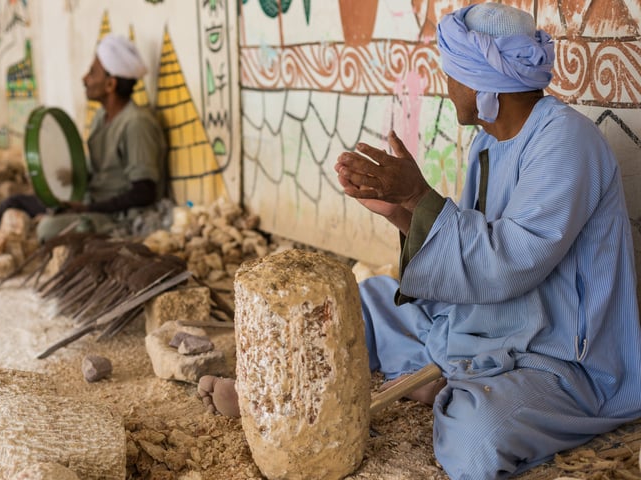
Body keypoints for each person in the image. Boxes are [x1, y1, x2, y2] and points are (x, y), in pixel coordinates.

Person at [199, 4, 641, 479]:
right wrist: (403, 214)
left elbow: (508, 262)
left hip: (557, 361)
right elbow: (478, 243)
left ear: (482, 83)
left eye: (452, 74)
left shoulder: (566, 143)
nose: (446, 87)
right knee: (360, 299)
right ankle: (270, 395)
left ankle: (446, 383)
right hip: (488, 325)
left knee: (476, 437)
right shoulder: (490, 140)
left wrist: (419, 195)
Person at [0, 33, 167, 241]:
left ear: (110, 85)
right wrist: (61, 178)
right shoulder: (101, 117)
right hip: (90, 200)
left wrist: (87, 208)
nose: (85, 78)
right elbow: (98, 167)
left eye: (92, 73)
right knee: (16, 202)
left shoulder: (136, 124)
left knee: (48, 228)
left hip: (115, 216)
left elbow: (144, 193)